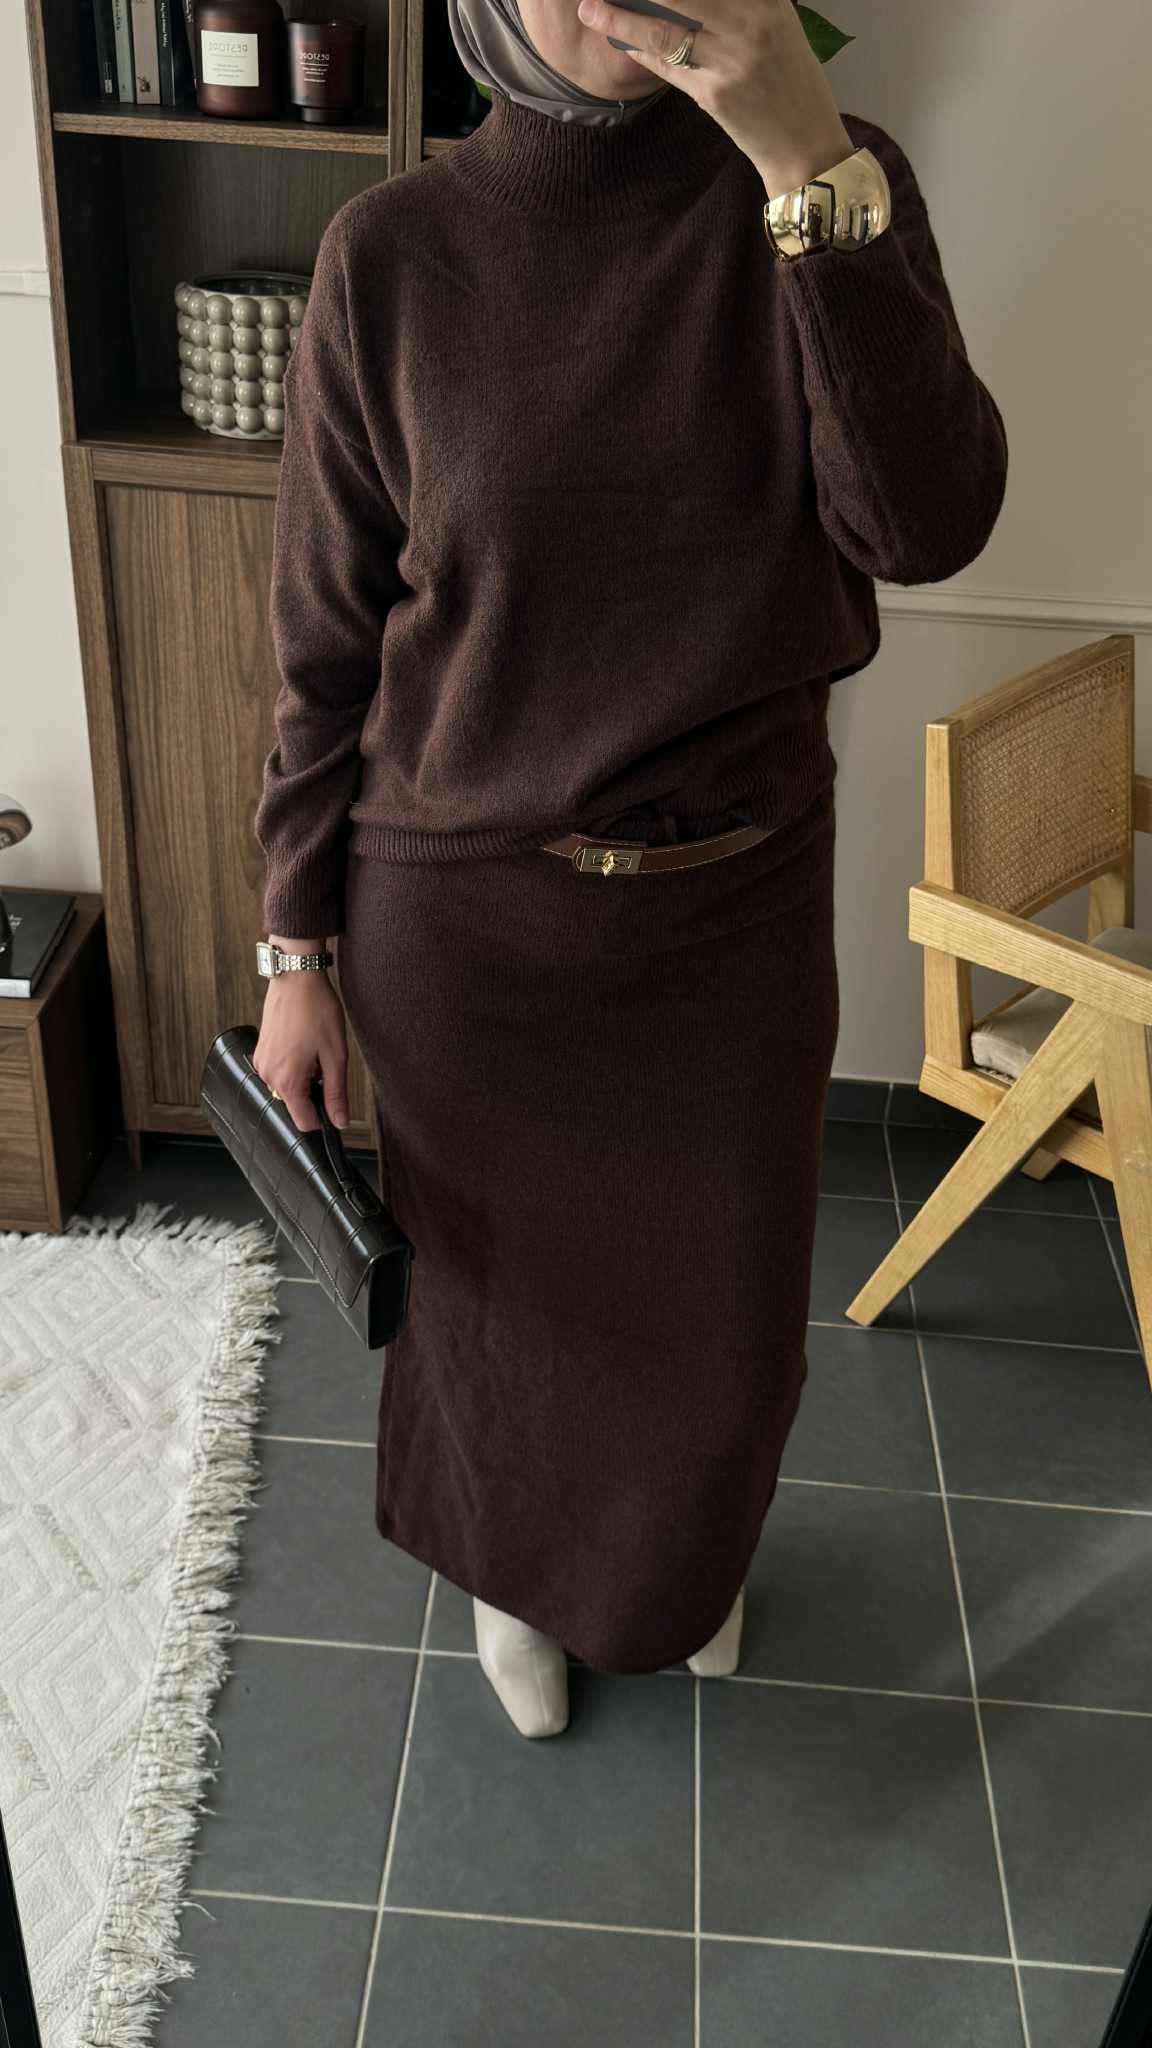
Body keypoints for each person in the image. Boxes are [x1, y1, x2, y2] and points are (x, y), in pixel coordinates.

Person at [252, 0, 1008, 1738]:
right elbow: (323, 648)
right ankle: (513, 1572)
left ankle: (673, 1558)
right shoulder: (393, 255)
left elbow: (925, 525)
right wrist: (294, 949)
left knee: (720, 1326)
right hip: (467, 924)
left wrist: (806, 164)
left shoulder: (829, 190)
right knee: (500, 1324)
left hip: (732, 915)